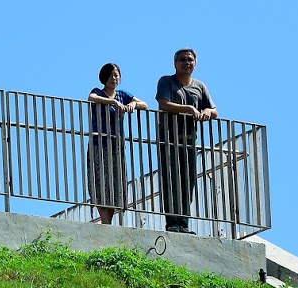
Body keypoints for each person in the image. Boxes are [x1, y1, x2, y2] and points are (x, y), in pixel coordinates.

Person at [154, 48, 216, 234]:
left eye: (189, 60)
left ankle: (184, 223)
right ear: (175, 63)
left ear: (195, 64)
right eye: (182, 60)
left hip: (189, 140)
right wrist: (188, 108)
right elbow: (163, 104)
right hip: (170, 139)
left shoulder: (200, 86)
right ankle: (172, 222)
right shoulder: (166, 81)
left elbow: (213, 110)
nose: (186, 63)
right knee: (172, 180)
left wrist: (206, 111)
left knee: (188, 182)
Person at [86, 63, 147, 225]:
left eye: (116, 75)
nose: (114, 78)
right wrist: (111, 102)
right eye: (111, 75)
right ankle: (105, 220)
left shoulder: (123, 94)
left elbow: (144, 104)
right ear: (104, 77)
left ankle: (108, 222)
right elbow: (91, 98)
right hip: (99, 143)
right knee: (99, 180)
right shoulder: (98, 92)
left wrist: (133, 104)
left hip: (116, 144)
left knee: (115, 182)